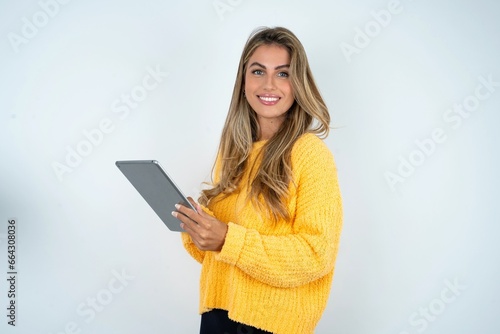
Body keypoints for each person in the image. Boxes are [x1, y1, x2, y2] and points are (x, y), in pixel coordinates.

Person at [172, 26, 343, 334]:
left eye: (283, 74)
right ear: (243, 80)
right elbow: (217, 255)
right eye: (258, 71)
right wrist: (197, 228)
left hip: (271, 325)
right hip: (218, 315)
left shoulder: (309, 154)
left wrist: (227, 238)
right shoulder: (235, 152)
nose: (268, 84)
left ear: (298, 83)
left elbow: (317, 256)